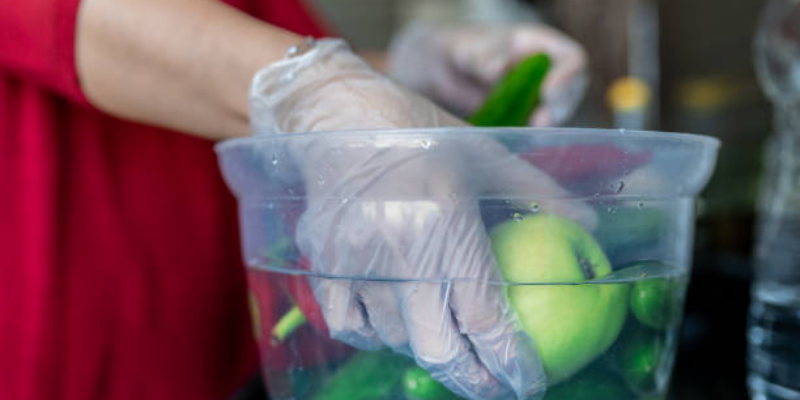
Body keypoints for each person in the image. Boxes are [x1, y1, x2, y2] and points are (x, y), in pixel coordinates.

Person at [0, 1, 587, 399]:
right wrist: (320, 91)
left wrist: (399, 78)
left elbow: (251, 33)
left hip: (237, 356)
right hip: (60, 352)